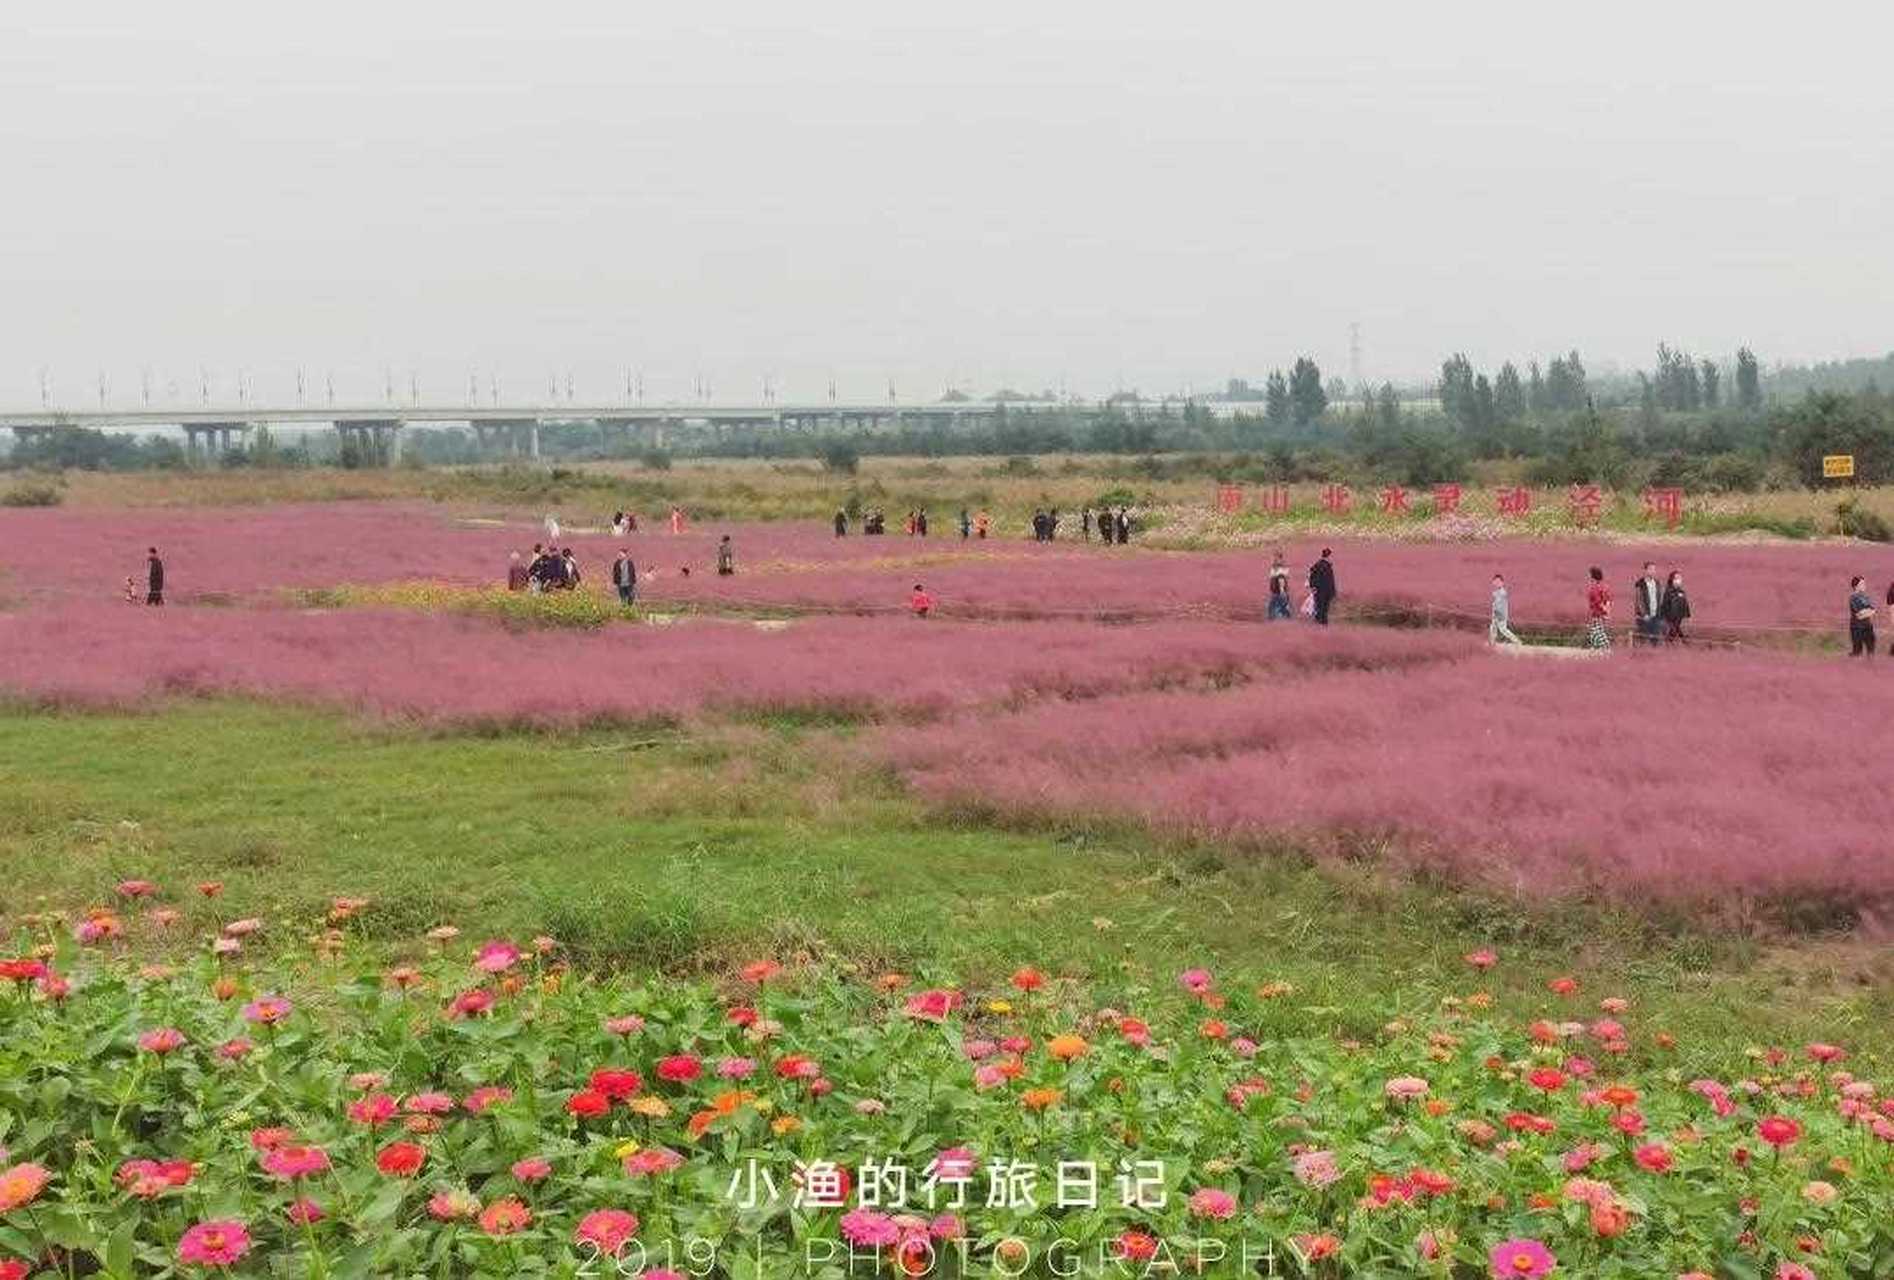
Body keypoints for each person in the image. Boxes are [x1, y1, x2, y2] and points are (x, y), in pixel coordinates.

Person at [1632, 562, 1662, 647]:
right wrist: (1644, 614)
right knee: (1643, 637)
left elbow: (1659, 598)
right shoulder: (1640, 584)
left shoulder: (1657, 583)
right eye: (1650, 569)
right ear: (1645, 571)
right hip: (1644, 617)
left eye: (1654, 569)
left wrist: (1659, 612)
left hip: (1655, 615)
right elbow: (1639, 600)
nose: (1652, 571)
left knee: (1655, 638)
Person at [1307, 548, 1337, 625]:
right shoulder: (1327, 566)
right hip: (1325, 592)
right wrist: (1333, 592)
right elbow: (1330, 581)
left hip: (1318, 592)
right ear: (1329, 556)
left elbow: (1311, 577)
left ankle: (1318, 626)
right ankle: (1322, 626)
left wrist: (1313, 587)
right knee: (1323, 611)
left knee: (1319, 610)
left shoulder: (1317, 565)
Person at [1585, 566, 1612, 650]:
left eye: (1589, 575)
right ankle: (1594, 649)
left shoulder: (1594, 588)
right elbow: (1608, 600)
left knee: (1598, 633)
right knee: (1594, 632)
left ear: (1593, 576)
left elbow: (1598, 602)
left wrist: (1604, 610)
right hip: (1602, 614)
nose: (1588, 576)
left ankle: (1605, 648)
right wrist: (1607, 611)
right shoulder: (1605, 587)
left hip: (1596, 614)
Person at [1489, 573, 1521, 644]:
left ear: (1502, 583)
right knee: (1493, 627)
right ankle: (1492, 642)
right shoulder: (1496, 592)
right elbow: (1495, 603)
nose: (1497, 584)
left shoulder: (1502, 593)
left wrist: (1500, 614)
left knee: (1502, 629)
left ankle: (1516, 641)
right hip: (1496, 613)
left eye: (1498, 582)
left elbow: (1500, 604)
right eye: (1495, 582)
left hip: (1501, 614)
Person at [1660, 570, 1691, 644]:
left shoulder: (1682, 592)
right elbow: (1665, 606)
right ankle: (1681, 641)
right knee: (1673, 632)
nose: (1679, 580)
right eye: (1676, 578)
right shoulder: (1668, 592)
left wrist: (1687, 615)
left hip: (1679, 618)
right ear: (1672, 580)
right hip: (1670, 619)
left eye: (1680, 578)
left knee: (1675, 633)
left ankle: (1679, 641)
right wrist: (1666, 618)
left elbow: (1685, 604)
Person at [1849, 576, 1876, 656]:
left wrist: (1866, 612)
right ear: (1855, 586)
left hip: (1868, 626)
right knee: (1857, 652)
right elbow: (1859, 615)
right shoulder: (1853, 598)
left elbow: (1873, 610)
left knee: (1871, 650)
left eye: (1864, 584)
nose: (1864, 585)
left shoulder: (1866, 597)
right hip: (1857, 628)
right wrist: (1868, 612)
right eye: (1862, 584)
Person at [1267, 551, 1293, 621]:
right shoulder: (1275, 569)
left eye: (1275, 558)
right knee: (1282, 608)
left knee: (1273, 608)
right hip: (1276, 592)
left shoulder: (1280, 570)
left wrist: (1282, 591)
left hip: (1278, 593)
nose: (1273, 560)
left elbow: (1281, 580)